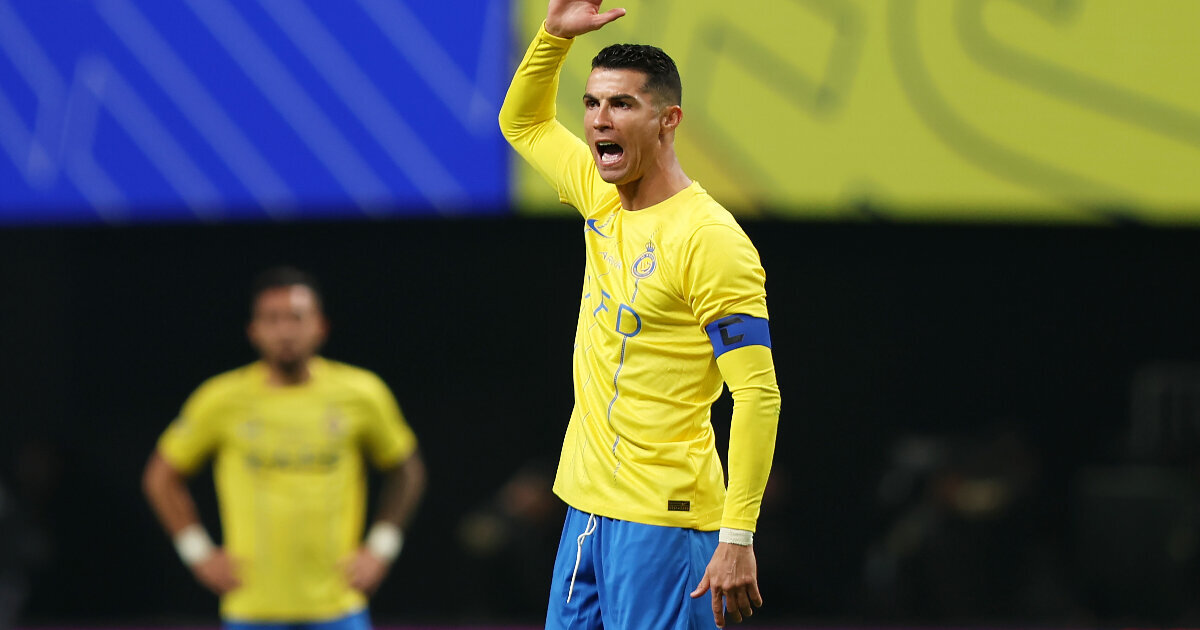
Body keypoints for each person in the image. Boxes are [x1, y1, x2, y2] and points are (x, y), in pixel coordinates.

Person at [498, 1, 782, 628]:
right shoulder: (601, 194)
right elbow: (523, 123)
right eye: (592, 103)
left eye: (622, 104)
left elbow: (757, 395)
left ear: (667, 119)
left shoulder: (710, 241)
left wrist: (738, 534)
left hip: (664, 519)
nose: (600, 120)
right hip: (586, 507)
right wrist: (552, 37)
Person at [142, 266, 426, 630]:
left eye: (296, 318)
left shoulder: (362, 393)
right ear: (254, 330)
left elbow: (408, 471)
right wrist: (197, 553)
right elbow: (161, 477)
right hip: (252, 609)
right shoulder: (220, 399)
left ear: (321, 326)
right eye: (272, 319)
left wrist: (381, 548)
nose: (285, 331)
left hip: (338, 606)